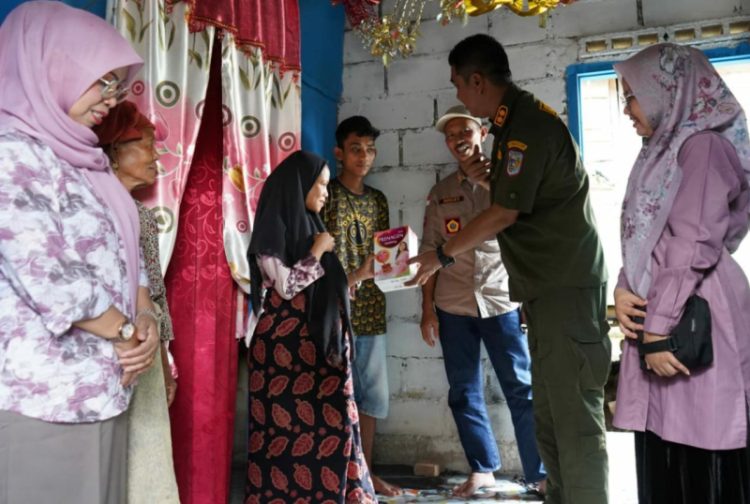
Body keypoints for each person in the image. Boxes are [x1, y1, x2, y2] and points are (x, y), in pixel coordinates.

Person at [409, 34, 610, 504]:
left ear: (477, 81)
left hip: (562, 287)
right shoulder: (510, 131)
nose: (458, 94)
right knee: (550, 413)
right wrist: (488, 177)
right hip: (541, 290)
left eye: (458, 84)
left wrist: (440, 255)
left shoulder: (526, 128)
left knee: (574, 418)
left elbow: (503, 214)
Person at [0, 3, 160, 503]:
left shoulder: (83, 159)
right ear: (52, 67)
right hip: (45, 393)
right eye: (102, 82)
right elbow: (47, 272)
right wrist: (129, 332)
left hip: (104, 385)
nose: (111, 99)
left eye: (116, 85)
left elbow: (121, 251)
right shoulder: (12, 152)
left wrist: (145, 312)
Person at [612, 43, 750, 503]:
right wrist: (625, 287)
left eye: (631, 94)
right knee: (665, 449)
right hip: (664, 311)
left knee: (702, 450)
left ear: (665, 90)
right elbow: (644, 233)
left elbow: (693, 243)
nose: (628, 108)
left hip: (692, 316)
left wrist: (657, 332)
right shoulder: (659, 152)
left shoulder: (703, 147)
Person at [419, 104, 546, 497]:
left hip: (501, 300)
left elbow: (530, 230)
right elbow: (429, 251)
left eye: (465, 132)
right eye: (450, 134)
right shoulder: (441, 194)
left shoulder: (508, 181)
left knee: (520, 388)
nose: (457, 139)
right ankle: (483, 469)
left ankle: (538, 473)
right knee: (463, 390)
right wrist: (427, 310)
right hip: (452, 304)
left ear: (483, 135)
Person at [245, 151, 377, 503]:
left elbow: (322, 289)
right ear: (298, 185)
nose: (326, 193)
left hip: (319, 346)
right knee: (284, 435)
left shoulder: (313, 227)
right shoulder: (272, 232)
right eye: (319, 185)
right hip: (284, 355)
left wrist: (361, 274)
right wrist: (317, 252)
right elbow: (287, 286)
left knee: (335, 424)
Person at [95, 101, 180, 504]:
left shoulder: (140, 215)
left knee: (142, 463)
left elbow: (152, 294)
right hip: (108, 349)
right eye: (146, 144)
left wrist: (162, 363)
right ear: (114, 150)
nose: (156, 155)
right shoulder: (93, 205)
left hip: (140, 348)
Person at [321, 116, 402, 496]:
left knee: (371, 398)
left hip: (370, 310)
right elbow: (317, 258)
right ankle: (335, 473)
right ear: (339, 153)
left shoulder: (378, 200)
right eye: (356, 148)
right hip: (333, 312)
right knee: (334, 394)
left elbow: (385, 258)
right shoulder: (326, 196)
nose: (364, 156)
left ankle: (365, 475)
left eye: (370, 149)